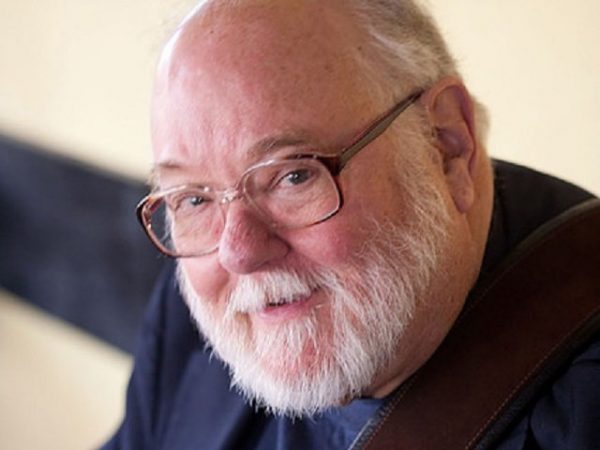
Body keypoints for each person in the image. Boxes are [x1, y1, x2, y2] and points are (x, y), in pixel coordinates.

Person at [103, 0, 600, 448]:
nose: (237, 252)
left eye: (293, 175)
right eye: (193, 200)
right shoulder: (192, 316)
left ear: (446, 144)